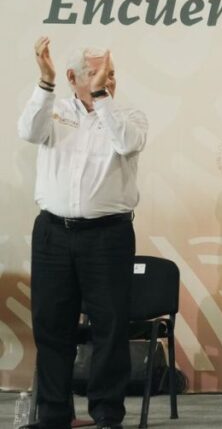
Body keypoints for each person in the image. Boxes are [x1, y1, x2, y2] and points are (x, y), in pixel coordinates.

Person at [19, 37, 148, 429]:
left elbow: (127, 143)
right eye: (95, 73)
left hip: (107, 236)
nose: (106, 79)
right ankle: (54, 414)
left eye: (110, 73)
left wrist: (101, 97)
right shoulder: (53, 110)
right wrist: (45, 83)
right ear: (72, 76)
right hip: (53, 234)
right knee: (51, 326)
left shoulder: (129, 115)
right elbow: (27, 131)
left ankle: (107, 413)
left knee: (109, 327)